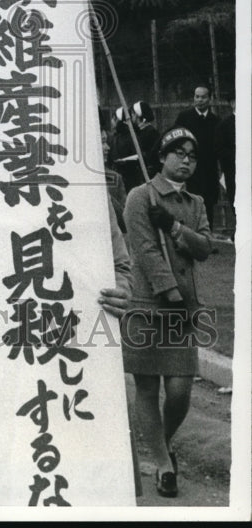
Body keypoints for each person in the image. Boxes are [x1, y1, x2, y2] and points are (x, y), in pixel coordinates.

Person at [0, 193, 134, 503]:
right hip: (9, 353)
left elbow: (121, 266)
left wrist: (121, 290)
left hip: (78, 356)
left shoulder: (89, 193)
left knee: (81, 473)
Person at [122, 127, 212, 499]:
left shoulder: (196, 203)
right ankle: (163, 465)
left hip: (182, 310)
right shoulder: (139, 196)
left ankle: (163, 442)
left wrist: (173, 227)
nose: (186, 160)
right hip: (147, 306)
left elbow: (204, 247)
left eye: (192, 155)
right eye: (179, 153)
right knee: (147, 387)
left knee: (179, 390)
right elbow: (144, 250)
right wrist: (169, 290)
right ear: (162, 157)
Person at [173, 85, 221, 229]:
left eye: (203, 97)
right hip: (188, 170)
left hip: (209, 171)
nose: (199, 100)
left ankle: (207, 235)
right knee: (188, 203)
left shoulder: (216, 121)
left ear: (210, 99)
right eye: (197, 96)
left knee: (207, 205)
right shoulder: (184, 118)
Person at [215, 97, 235, 235]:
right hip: (234, 171)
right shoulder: (224, 125)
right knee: (236, 201)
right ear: (232, 103)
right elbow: (220, 149)